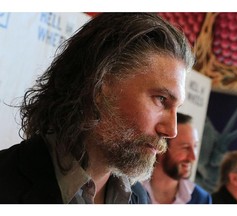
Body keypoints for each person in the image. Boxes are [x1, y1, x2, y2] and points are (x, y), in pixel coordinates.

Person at [0, 13, 194, 204]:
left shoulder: (139, 199)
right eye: (161, 99)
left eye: (176, 108)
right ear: (98, 85)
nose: (171, 130)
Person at [142, 112, 212, 204]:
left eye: (195, 146)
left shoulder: (202, 200)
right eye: (185, 147)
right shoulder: (129, 190)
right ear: (161, 147)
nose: (193, 158)